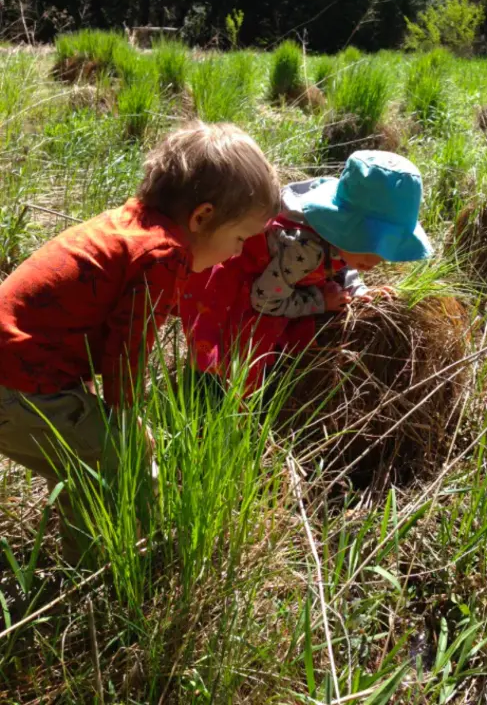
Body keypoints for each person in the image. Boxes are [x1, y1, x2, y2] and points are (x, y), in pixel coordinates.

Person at [0, 121, 280, 562]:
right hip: (19, 385)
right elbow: (126, 350)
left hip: (20, 374)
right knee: (122, 461)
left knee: (102, 454)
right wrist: (126, 422)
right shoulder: (163, 255)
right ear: (202, 217)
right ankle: (122, 564)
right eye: (241, 237)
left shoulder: (132, 224)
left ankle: (103, 552)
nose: (239, 253)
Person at [182, 150, 433, 392]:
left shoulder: (339, 239)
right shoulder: (306, 251)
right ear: (345, 230)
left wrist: (359, 290)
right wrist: (319, 302)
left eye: (386, 249)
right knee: (239, 355)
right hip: (247, 286)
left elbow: (344, 263)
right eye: (371, 246)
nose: (378, 259)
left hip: (282, 278)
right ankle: (215, 396)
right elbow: (263, 300)